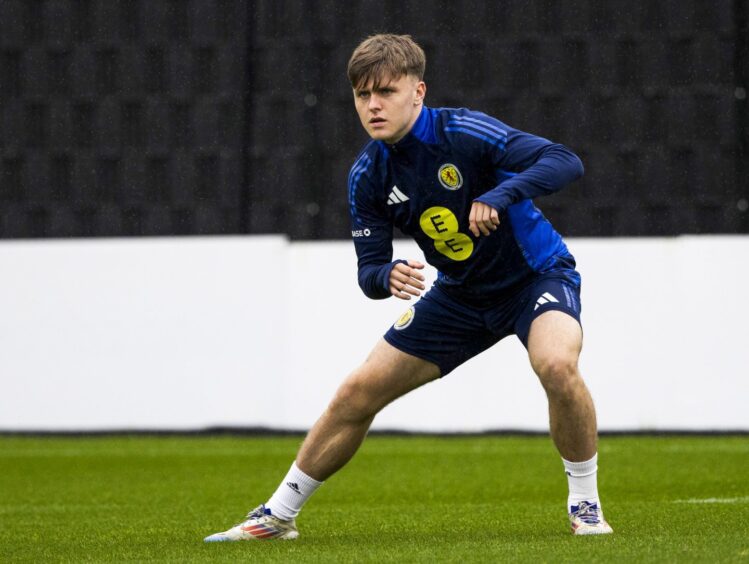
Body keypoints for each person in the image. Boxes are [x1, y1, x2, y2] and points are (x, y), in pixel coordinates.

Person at [204, 33, 612, 541]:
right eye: (361, 95)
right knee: (356, 393)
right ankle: (277, 516)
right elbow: (368, 270)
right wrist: (385, 276)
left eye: (385, 92)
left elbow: (564, 160)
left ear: (418, 92)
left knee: (555, 363)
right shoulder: (367, 174)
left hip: (536, 278)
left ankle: (586, 504)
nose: (372, 105)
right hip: (460, 296)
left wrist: (500, 194)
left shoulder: (462, 130)